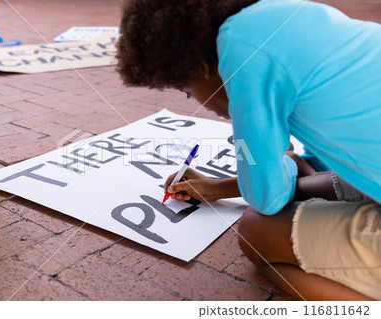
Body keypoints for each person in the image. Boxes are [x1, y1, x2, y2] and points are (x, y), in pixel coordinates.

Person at [116, 0, 381, 300]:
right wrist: (219, 188)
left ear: (203, 69)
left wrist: (280, 164)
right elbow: (321, 165)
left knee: (255, 232)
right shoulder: (291, 15)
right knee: (306, 187)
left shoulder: (239, 56)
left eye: (188, 93)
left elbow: (267, 201)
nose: (199, 103)